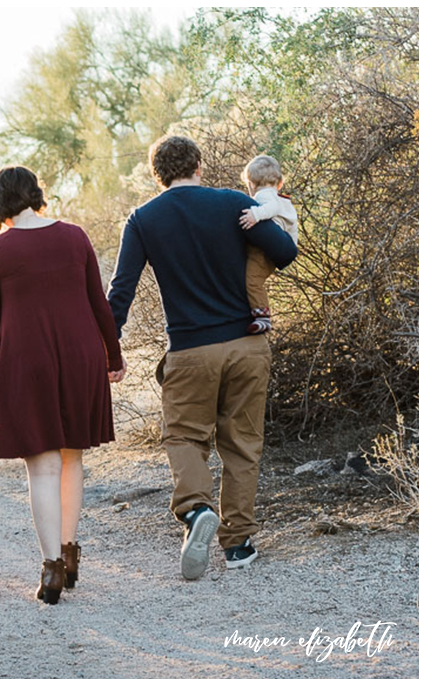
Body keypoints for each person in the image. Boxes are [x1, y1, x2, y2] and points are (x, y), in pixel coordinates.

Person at [106, 135, 298, 581]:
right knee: (242, 443)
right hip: (247, 345)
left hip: (190, 350)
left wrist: (110, 348)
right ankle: (239, 545)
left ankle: (196, 512)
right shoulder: (233, 203)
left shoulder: (143, 219)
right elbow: (285, 253)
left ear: (157, 174)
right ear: (199, 164)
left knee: (183, 437)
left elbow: (121, 291)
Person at [0, 166, 126, 605]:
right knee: (72, 457)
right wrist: (113, 356)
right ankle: (70, 555)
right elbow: (99, 303)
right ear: (35, 194)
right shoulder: (75, 236)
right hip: (81, 358)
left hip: (28, 362)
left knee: (42, 467)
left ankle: (52, 567)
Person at [238, 155, 299, 334]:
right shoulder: (281, 197)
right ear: (280, 183)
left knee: (252, 281)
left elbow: (271, 208)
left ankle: (262, 316)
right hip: (281, 248)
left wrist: (255, 215)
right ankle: (258, 312)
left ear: (251, 184)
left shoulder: (265, 196)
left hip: (266, 252)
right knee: (254, 278)